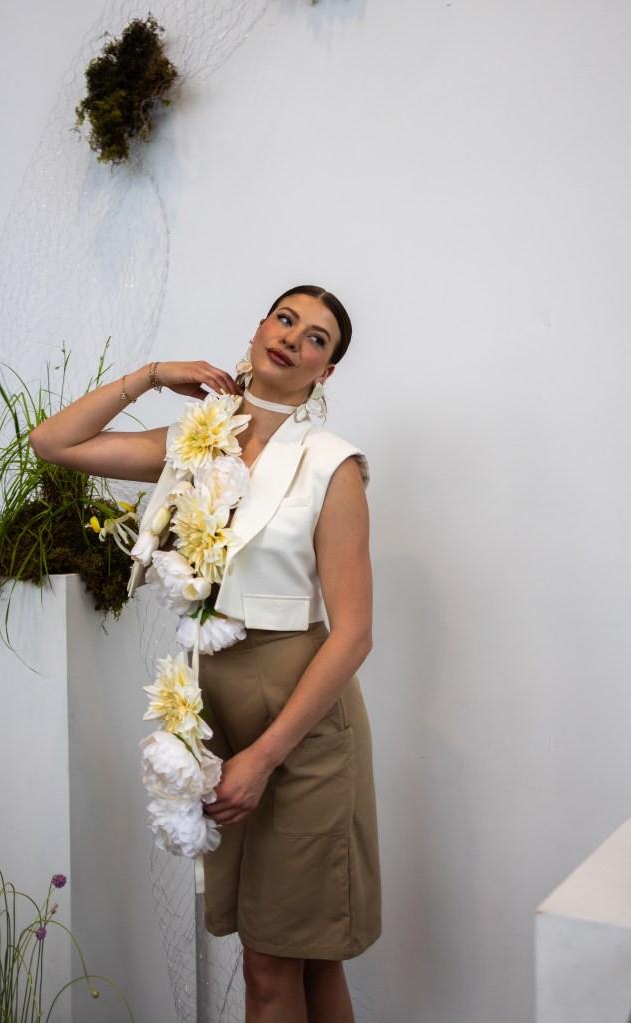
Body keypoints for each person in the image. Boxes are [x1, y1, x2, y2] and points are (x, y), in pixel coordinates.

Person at [30, 285, 381, 1022]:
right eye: (285, 318)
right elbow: (53, 443)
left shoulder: (330, 463)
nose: (292, 338)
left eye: (316, 338)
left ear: (326, 371)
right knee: (302, 958)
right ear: (259, 325)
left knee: (271, 958)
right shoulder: (197, 438)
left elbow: (352, 633)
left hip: (302, 721)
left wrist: (262, 756)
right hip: (213, 701)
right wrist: (154, 373)